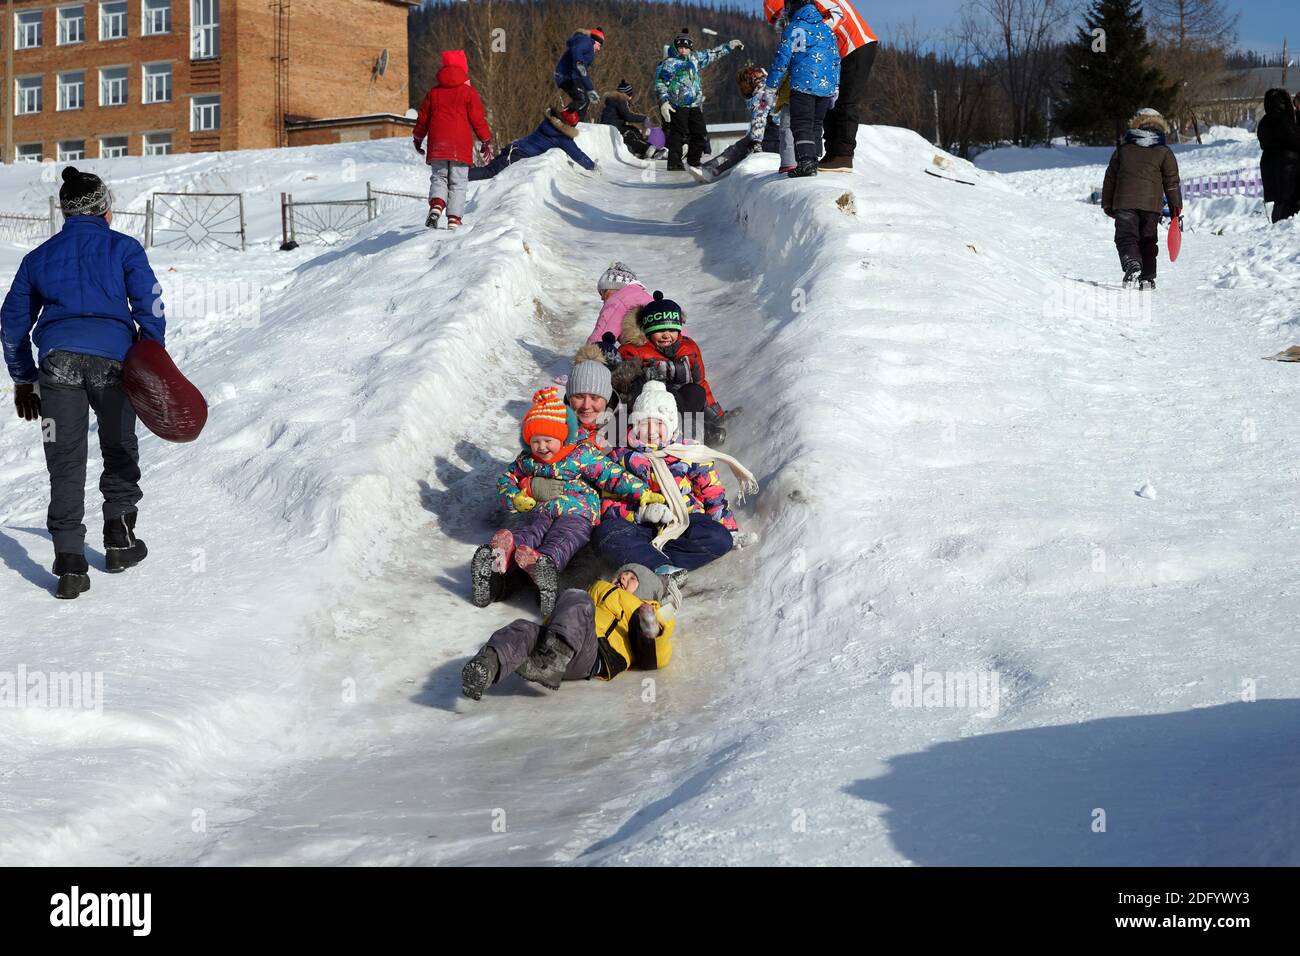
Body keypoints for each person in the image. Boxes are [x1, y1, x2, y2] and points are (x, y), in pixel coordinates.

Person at [1, 167, 166, 600]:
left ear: (66, 212)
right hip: (114, 365)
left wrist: (23, 380)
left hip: (57, 369)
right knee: (119, 447)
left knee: (65, 459)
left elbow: (12, 325)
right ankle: (119, 539)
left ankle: (70, 561)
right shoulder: (124, 247)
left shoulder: (38, 257)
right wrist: (151, 360)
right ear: (104, 210)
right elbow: (149, 306)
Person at [472, 387, 663, 616]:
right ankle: (502, 553)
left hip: (576, 513)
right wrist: (515, 496)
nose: (542, 447)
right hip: (541, 510)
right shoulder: (528, 460)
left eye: (547, 441)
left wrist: (642, 492)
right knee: (530, 533)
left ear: (562, 435)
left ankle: (544, 565)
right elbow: (507, 479)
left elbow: (611, 474)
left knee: (563, 538)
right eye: (535, 441)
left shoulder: (581, 454)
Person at [592, 381, 758, 586]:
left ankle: (650, 562)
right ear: (634, 425)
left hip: (684, 522)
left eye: (660, 424)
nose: (652, 431)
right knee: (606, 534)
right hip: (638, 526)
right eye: (644, 423)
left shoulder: (689, 453)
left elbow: (712, 493)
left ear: (672, 425)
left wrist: (729, 528)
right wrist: (640, 514)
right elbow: (608, 506)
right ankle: (661, 567)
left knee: (719, 538)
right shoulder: (620, 456)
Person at [460, 563, 678, 699]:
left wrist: (649, 627)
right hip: (559, 645)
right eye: (622, 574)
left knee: (577, 597)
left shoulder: (641, 609)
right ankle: (484, 667)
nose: (623, 578)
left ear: (644, 591)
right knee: (522, 628)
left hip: (594, 653)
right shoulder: (592, 593)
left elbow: (655, 657)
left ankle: (555, 656)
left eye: (632, 579)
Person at [765, 0, 877, 171]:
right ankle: (832, 153)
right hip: (835, 53)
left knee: (845, 102)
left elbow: (838, 14)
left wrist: (807, 34)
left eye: (780, 15)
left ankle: (843, 155)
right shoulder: (807, 15)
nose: (781, 21)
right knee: (826, 102)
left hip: (856, 44)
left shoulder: (815, 8)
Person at [614, 290, 731, 445]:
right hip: (651, 410)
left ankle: (693, 429)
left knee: (696, 391)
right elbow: (626, 386)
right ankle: (695, 432)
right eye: (660, 331)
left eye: (672, 330)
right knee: (668, 392)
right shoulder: (634, 350)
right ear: (647, 331)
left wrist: (716, 414)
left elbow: (701, 382)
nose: (666, 335)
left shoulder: (689, 349)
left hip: (684, 405)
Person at [1101, 108, 1183, 291]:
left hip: (1125, 203)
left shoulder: (1123, 150)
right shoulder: (1164, 152)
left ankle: (1132, 262)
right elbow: (1171, 182)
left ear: (1136, 124)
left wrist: (1107, 203)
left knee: (1126, 236)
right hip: (1151, 205)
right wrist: (1175, 207)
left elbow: (1110, 177)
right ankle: (1147, 279)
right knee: (1148, 239)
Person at [759, 0, 841, 178]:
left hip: (802, 84)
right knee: (816, 124)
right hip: (826, 86)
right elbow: (836, 59)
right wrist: (835, 86)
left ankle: (806, 163)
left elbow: (782, 60)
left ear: (793, 7)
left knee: (801, 124)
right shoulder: (827, 29)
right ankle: (814, 160)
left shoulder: (794, 28)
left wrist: (771, 87)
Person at [413, 49, 492, 229]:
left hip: (438, 145)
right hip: (460, 146)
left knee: (439, 177)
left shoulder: (433, 92)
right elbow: (478, 119)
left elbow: (423, 118)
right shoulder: (468, 92)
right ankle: (454, 219)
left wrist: (418, 138)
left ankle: (437, 205)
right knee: (458, 181)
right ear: (463, 69)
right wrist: (485, 139)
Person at [655, 28, 745, 172]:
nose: (683, 50)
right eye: (680, 48)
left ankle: (693, 161)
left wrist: (728, 46)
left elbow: (712, 54)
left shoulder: (695, 59)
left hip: (695, 105)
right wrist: (664, 101)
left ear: (690, 48)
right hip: (678, 105)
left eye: (686, 47)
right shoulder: (670, 63)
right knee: (678, 135)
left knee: (700, 134)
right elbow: (660, 83)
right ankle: (674, 163)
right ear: (676, 48)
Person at [690, 66, 772, 183]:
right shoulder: (765, 89)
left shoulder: (761, 93)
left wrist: (756, 140)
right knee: (741, 145)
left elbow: (759, 117)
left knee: (741, 147)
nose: (743, 89)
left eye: (744, 85)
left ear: (753, 81)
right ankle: (710, 167)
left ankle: (712, 169)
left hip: (774, 134)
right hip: (774, 131)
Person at [468, 109, 595, 181]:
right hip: (518, 155)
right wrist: (592, 166)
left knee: (487, 170)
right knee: (489, 173)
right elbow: (577, 155)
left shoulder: (547, 123)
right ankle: (458, 176)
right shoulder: (563, 138)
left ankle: (459, 175)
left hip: (514, 147)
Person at [586, 261, 654, 361]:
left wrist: (582, 363)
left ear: (612, 287)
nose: (602, 298)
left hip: (642, 356)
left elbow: (598, 340)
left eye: (603, 292)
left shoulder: (618, 300)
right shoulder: (647, 297)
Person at [1258, 88, 1300, 224]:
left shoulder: (1264, 122)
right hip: (1287, 169)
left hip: (1270, 167)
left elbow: (1263, 143)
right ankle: (1282, 231)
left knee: (1279, 203)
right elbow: (1296, 140)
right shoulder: (1284, 121)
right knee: (1287, 204)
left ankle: (1277, 228)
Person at [600, 80, 663, 160]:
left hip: (614, 125)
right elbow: (628, 116)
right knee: (629, 134)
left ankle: (643, 150)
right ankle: (645, 149)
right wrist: (643, 118)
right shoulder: (620, 100)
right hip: (612, 127)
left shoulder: (615, 100)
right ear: (627, 94)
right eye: (631, 95)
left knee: (634, 130)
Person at [553, 27, 605, 121]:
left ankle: (579, 122)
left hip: (572, 77)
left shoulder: (588, 48)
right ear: (595, 41)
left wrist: (590, 89)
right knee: (581, 99)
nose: (599, 49)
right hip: (565, 76)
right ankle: (560, 119)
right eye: (599, 45)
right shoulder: (587, 41)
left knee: (586, 99)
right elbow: (577, 51)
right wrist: (579, 62)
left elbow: (583, 72)